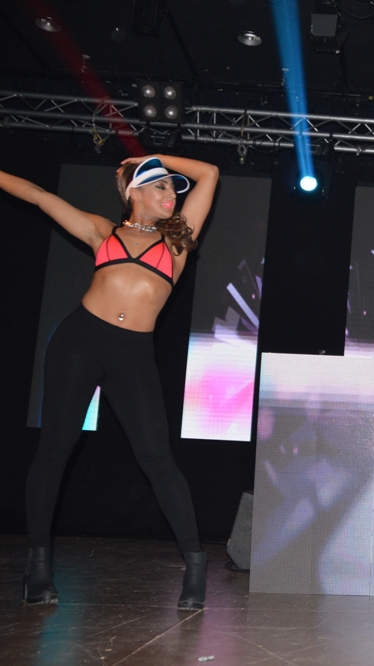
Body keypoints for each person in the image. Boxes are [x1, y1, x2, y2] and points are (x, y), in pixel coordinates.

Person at [1, 154, 219, 610]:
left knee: (157, 458)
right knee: (55, 449)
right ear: (134, 193)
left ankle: (196, 567)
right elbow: (38, 196)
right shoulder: (103, 231)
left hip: (133, 354)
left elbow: (210, 173)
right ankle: (37, 569)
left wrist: (150, 159)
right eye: (160, 186)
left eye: (172, 188)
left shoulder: (178, 240)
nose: (171, 194)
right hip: (79, 342)